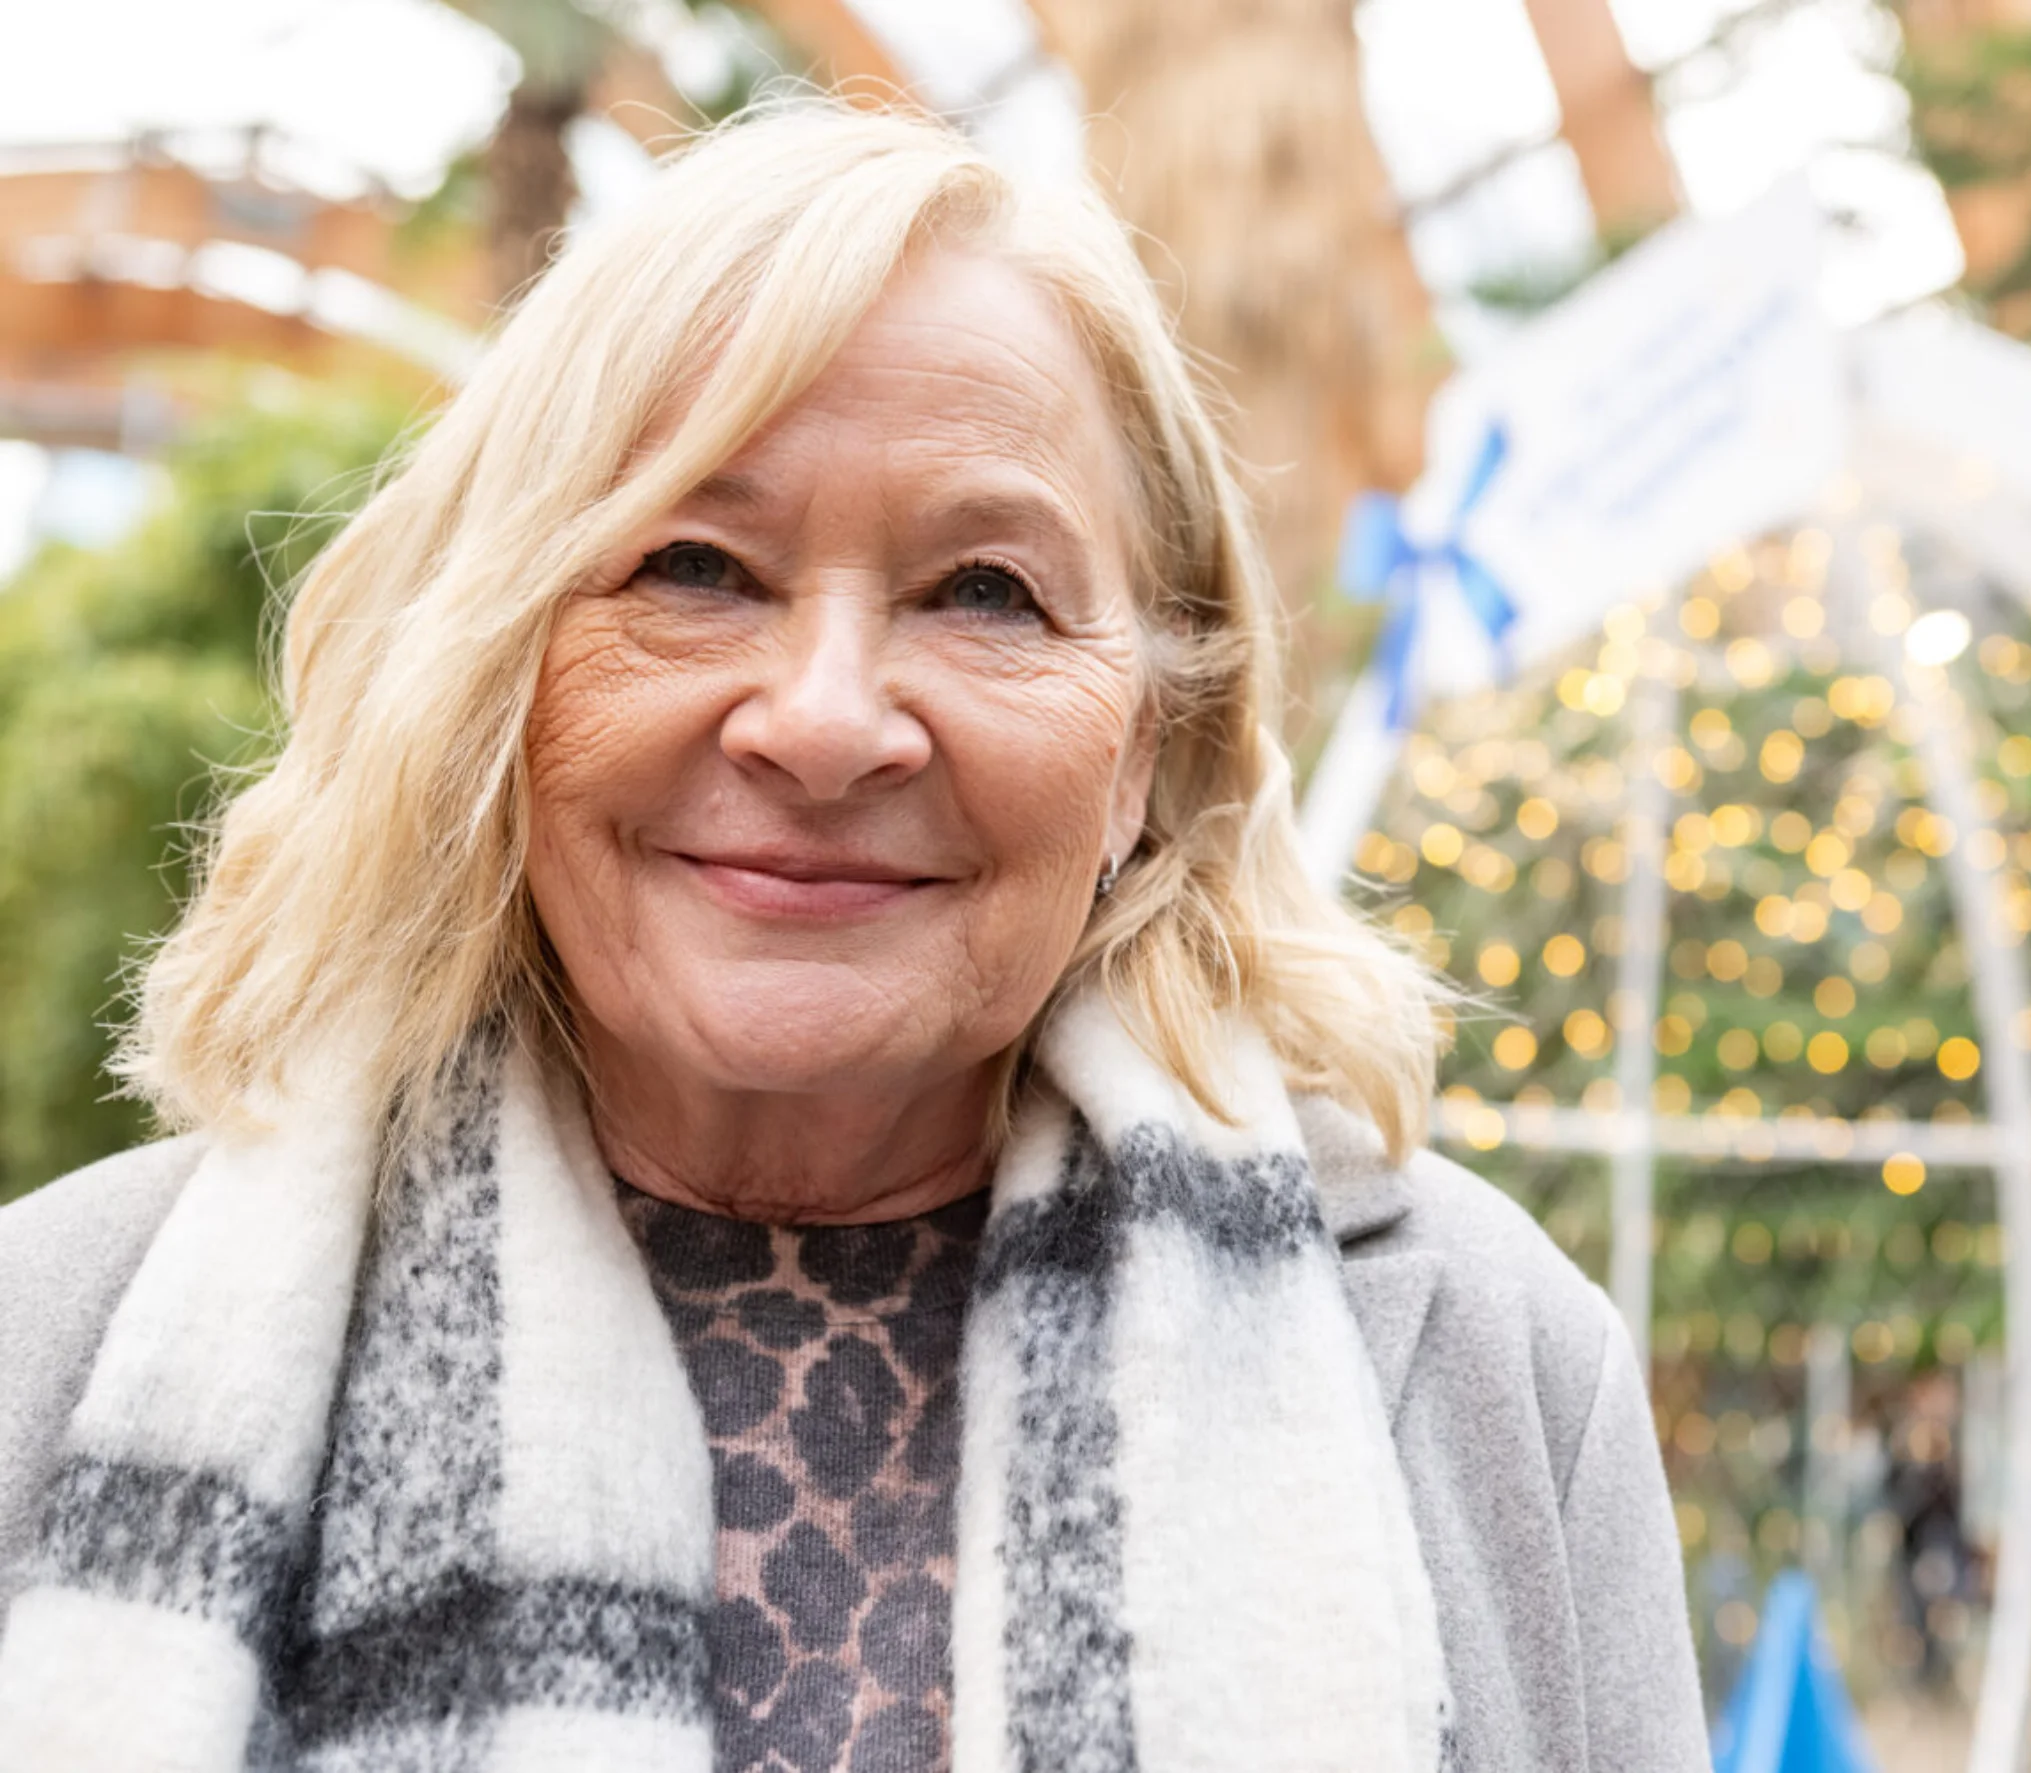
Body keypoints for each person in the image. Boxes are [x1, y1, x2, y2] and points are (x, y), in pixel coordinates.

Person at [0, 101, 1708, 1773]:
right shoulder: (53, 1344)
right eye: (693, 567)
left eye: (985, 593)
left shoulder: (1496, 1364)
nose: (822, 725)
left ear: (1146, 753)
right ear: (493, 679)